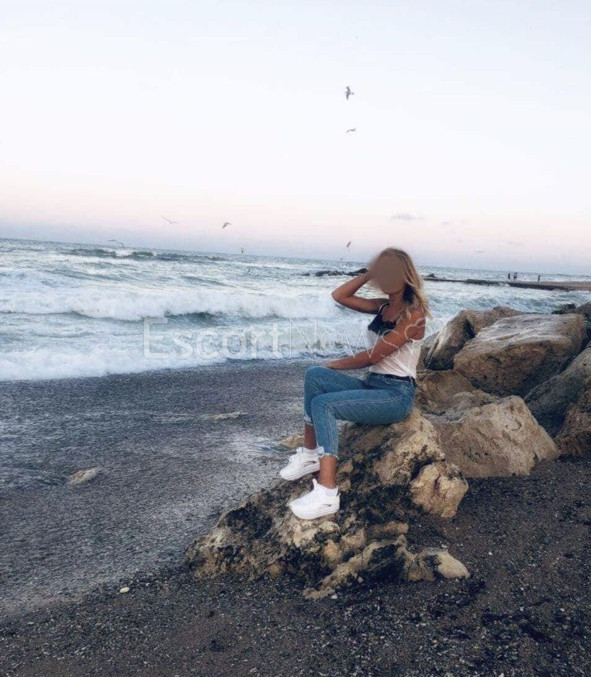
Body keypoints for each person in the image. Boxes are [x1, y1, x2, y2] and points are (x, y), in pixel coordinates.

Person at [281, 247, 432, 519]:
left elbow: (375, 356)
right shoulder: (382, 306)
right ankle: (311, 454)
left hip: (396, 395)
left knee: (324, 405)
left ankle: (327, 493)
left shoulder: (414, 315)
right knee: (314, 375)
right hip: (372, 384)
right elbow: (339, 296)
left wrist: (336, 363)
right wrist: (368, 274)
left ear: (405, 275)